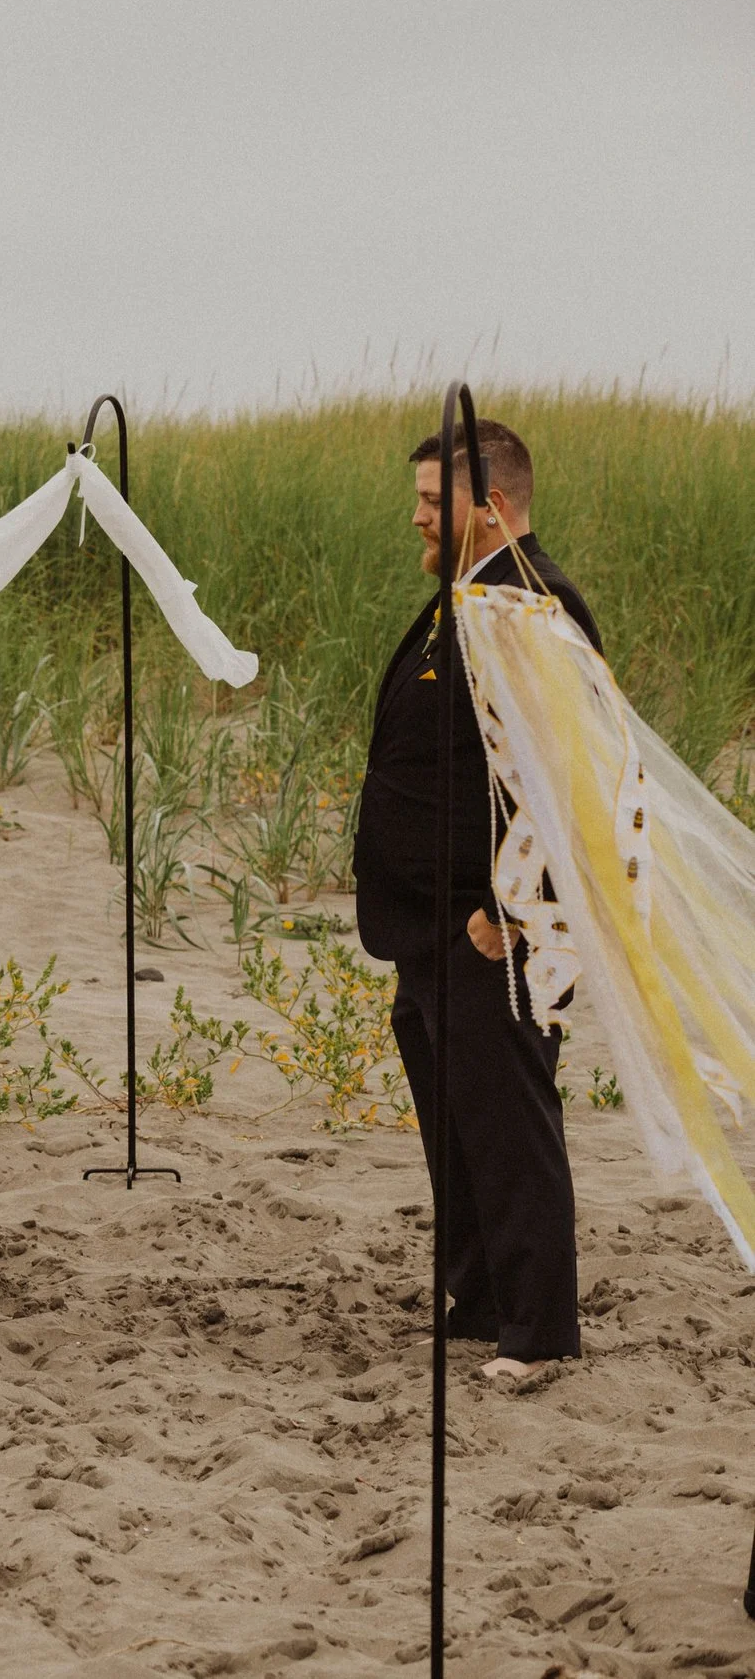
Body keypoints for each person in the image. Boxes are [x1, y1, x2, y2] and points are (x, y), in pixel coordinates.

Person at [355, 418, 597, 1380]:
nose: (414, 515)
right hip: (425, 922)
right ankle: (485, 1294)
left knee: (505, 1120)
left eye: (430, 501)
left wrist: (511, 912)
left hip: (489, 924)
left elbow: (567, 777)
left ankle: (540, 1331)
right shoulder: (463, 596)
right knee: (454, 1122)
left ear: (490, 506)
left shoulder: (534, 607)